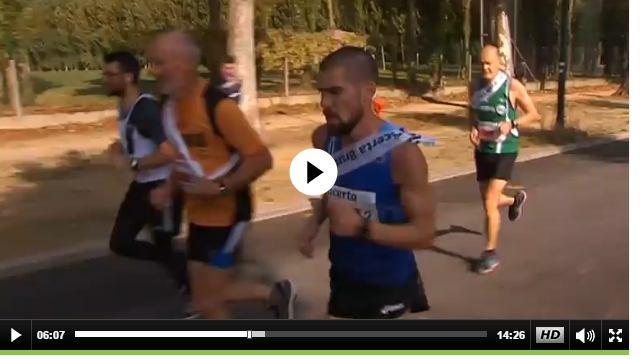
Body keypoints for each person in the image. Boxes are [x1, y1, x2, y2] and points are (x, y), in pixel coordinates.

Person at [148, 31, 295, 319]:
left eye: (162, 62)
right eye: (154, 63)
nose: (156, 70)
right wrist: (168, 189)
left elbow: (261, 158)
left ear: (185, 63)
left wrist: (220, 187)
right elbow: (184, 160)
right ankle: (274, 294)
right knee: (204, 298)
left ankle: (272, 295)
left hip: (228, 216)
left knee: (211, 301)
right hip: (198, 218)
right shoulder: (169, 110)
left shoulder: (219, 107)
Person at [298, 46, 435, 319]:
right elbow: (330, 190)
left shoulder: (403, 154)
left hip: (389, 286)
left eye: (335, 92)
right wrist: (314, 221)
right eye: (321, 92)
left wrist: (361, 228)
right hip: (342, 277)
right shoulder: (322, 139)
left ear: (367, 91)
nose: (324, 103)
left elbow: (425, 233)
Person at [103, 51, 187, 291]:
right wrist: (119, 146)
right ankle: (189, 274)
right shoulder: (125, 106)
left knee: (162, 246)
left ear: (128, 77)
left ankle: (197, 288)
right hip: (143, 185)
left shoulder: (145, 109)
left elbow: (169, 152)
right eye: (105, 73)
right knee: (121, 242)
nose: (106, 78)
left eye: (111, 74)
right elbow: (136, 140)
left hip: (162, 187)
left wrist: (131, 163)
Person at [468, 45, 541, 274]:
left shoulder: (512, 86)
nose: (485, 67)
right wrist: (472, 127)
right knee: (490, 201)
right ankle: (514, 201)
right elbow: (472, 111)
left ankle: (490, 253)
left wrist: (513, 123)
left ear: (500, 62)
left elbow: (534, 114)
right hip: (483, 150)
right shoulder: (474, 86)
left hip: (506, 148)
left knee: (490, 201)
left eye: (489, 63)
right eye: (481, 63)